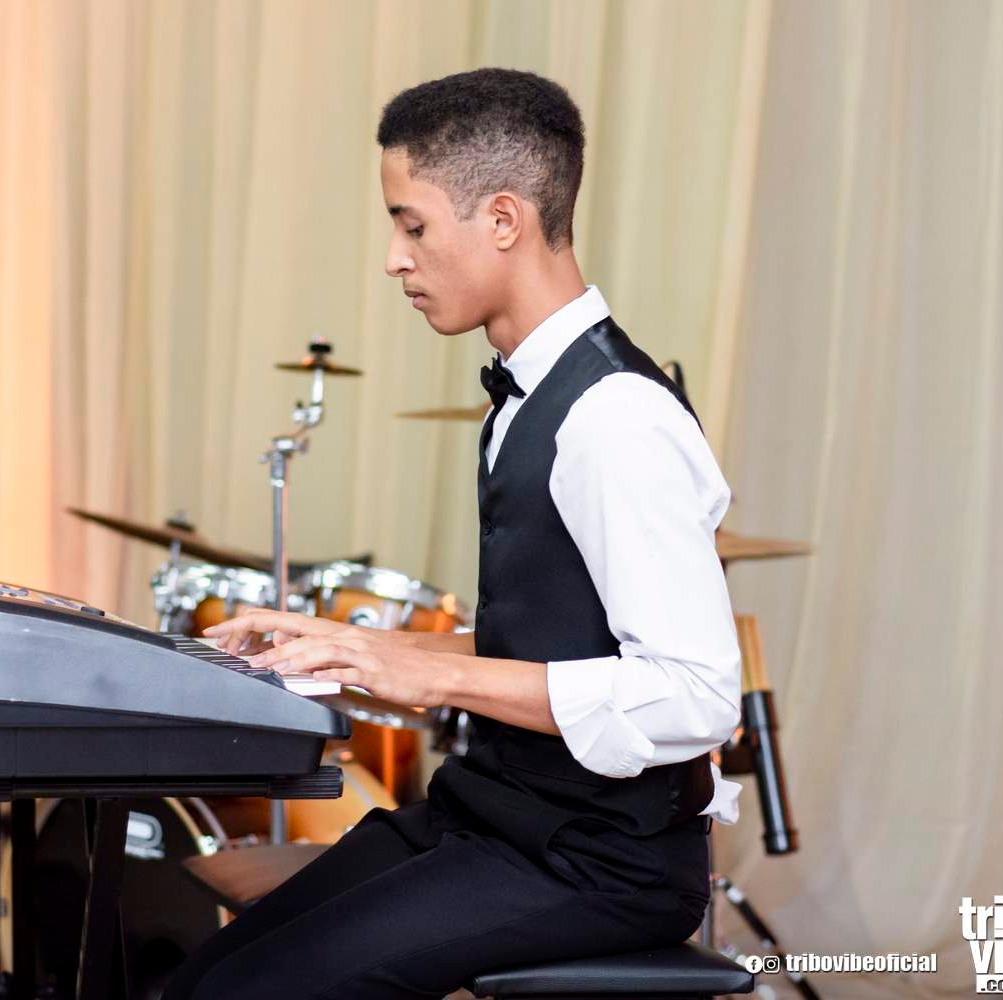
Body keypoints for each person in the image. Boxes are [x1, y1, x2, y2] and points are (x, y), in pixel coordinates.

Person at [162, 67, 743, 1000]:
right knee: (204, 979)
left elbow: (695, 695)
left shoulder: (617, 420)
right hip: (492, 816)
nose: (395, 259)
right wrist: (350, 647)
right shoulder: (526, 398)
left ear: (503, 219)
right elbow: (554, 644)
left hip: (595, 863)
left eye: (413, 226)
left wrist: (423, 673)